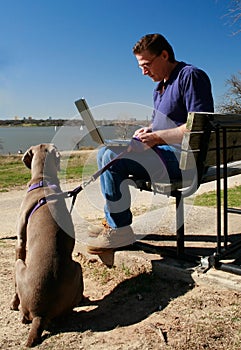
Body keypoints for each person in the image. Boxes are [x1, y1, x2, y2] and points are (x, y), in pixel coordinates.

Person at [86, 33, 214, 267]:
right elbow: (162, 126)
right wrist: (148, 131)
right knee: (106, 151)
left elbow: (199, 129)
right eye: (140, 66)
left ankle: (119, 230)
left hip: (187, 160)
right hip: (166, 155)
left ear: (164, 55)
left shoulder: (190, 76)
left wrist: (156, 137)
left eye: (146, 64)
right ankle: (117, 226)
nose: (143, 71)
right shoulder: (159, 89)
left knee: (112, 157)